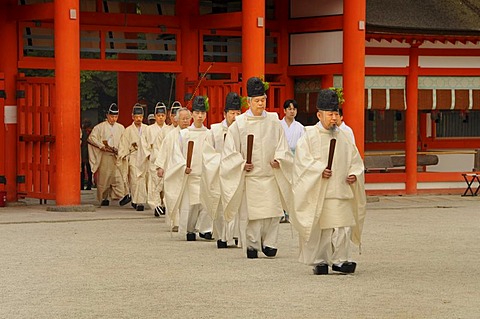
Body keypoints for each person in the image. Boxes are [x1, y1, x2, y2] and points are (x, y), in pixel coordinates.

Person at [290, 89, 366, 275]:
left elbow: (355, 160)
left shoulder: (345, 136)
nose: (334, 118)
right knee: (323, 229)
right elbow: (302, 162)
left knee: (343, 226)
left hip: (341, 189)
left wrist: (354, 174)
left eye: (336, 114)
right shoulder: (309, 135)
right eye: (330, 114)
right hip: (320, 192)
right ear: (319, 115)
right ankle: (321, 261)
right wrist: (318, 172)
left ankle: (340, 260)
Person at [220, 77, 293, 259]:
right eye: (257, 101)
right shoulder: (240, 124)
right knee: (253, 215)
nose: (261, 104)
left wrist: (280, 159)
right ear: (249, 101)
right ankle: (252, 245)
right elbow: (229, 152)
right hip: (251, 177)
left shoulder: (274, 121)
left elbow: (282, 146)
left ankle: (270, 243)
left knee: (273, 213)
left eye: (263, 100)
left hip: (270, 175)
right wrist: (242, 163)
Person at [164, 96, 214, 241]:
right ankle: (189, 229)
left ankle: (206, 229)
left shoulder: (209, 133)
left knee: (206, 203)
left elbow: (213, 154)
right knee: (190, 204)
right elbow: (176, 154)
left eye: (202, 113)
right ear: (192, 114)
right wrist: (182, 166)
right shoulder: (184, 134)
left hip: (205, 174)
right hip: (190, 174)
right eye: (197, 113)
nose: (200, 116)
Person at [202, 92, 242, 248]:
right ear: (225, 114)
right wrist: (222, 162)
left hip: (236, 172)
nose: (235, 116)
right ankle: (222, 236)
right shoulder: (214, 130)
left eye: (238, 113)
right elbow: (207, 153)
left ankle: (236, 235)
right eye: (232, 113)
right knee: (220, 204)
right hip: (219, 171)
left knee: (236, 203)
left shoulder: (242, 129)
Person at [155, 106, 191, 232]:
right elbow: (163, 152)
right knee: (173, 195)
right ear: (177, 119)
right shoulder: (170, 136)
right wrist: (160, 167)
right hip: (173, 172)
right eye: (183, 119)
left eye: (187, 118)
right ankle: (175, 222)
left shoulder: (194, 134)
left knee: (189, 197)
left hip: (189, 172)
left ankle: (189, 223)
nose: (185, 121)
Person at [87, 103, 127, 206]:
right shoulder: (100, 127)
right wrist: (101, 146)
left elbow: (124, 141)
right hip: (105, 155)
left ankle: (121, 195)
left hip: (117, 155)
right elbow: (92, 138)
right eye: (112, 116)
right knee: (104, 178)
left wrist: (121, 151)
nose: (114, 119)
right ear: (107, 116)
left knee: (118, 177)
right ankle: (103, 198)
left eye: (116, 116)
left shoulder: (121, 128)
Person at [118, 103, 148, 211]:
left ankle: (139, 200)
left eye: (140, 117)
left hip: (144, 157)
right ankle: (136, 201)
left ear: (143, 117)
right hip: (134, 156)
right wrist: (124, 155)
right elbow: (123, 145)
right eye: (136, 117)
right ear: (132, 117)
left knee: (143, 179)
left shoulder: (147, 129)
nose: (138, 119)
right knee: (135, 179)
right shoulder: (128, 131)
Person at [279, 99, 305, 223]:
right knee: (280, 185)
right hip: (281, 158)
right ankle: (281, 212)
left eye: (294, 109)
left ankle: (290, 212)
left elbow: (302, 146)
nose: (292, 111)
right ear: (284, 111)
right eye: (289, 109)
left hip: (295, 158)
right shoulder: (278, 125)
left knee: (292, 185)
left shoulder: (300, 127)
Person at [141, 103, 168, 217]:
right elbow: (144, 143)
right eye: (158, 115)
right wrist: (148, 154)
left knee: (166, 184)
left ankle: (165, 205)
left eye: (162, 115)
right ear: (155, 116)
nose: (161, 117)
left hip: (166, 159)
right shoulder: (148, 129)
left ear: (166, 116)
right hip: (154, 158)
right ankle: (156, 205)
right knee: (154, 184)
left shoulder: (169, 129)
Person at [81, 119, 93, 190]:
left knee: (84, 169)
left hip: (84, 152)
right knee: (88, 170)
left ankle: (83, 184)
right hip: (88, 152)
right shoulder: (91, 132)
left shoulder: (84, 132)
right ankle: (88, 184)